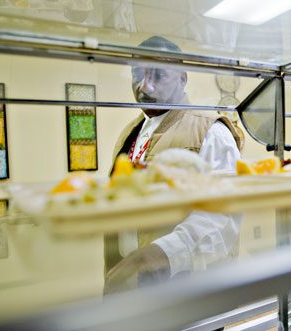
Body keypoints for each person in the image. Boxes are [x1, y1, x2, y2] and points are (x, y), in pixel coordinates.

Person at [104, 36, 243, 293]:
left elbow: (223, 214)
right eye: (137, 75)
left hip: (188, 288)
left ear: (182, 78)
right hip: (132, 284)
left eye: (158, 76)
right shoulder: (130, 132)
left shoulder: (210, 130)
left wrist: (160, 255)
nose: (144, 87)